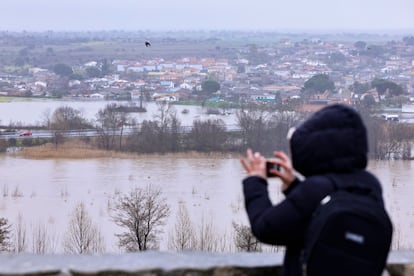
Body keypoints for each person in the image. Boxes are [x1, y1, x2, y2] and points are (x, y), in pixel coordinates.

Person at [240, 104, 391, 276]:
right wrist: (294, 186)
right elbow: (318, 218)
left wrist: (255, 181)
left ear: (312, 148)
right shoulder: (371, 183)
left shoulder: (314, 189)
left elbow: (266, 228)